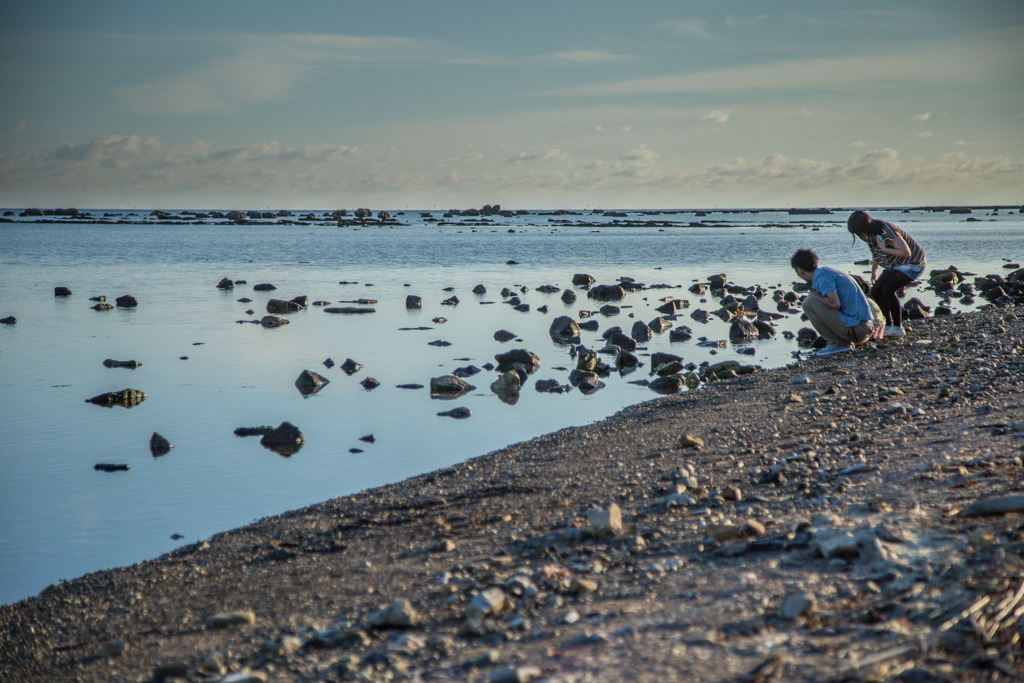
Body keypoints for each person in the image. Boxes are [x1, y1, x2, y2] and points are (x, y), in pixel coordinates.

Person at [847, 210, 926, 337]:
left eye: (858, 231)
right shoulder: (869, 235)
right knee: (877, 290)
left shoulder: (886, 231)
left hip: (913, 263)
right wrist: (874, 271)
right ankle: (888, 326)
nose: (859, 235)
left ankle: (898, 327)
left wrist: (885, 248)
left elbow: (906, 252)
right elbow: (876, 252)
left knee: (888, 290)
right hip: (894, 264)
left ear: (864, 226)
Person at [791, 248, 874, 356]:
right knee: (812, 300)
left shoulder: (822, 277)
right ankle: (839, 343)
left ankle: (838, 343)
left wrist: (813, 294)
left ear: (799, 270)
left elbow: (835, 304)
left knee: (809, 302)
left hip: (859, 330)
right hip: (863, 327)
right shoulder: (825, 272)